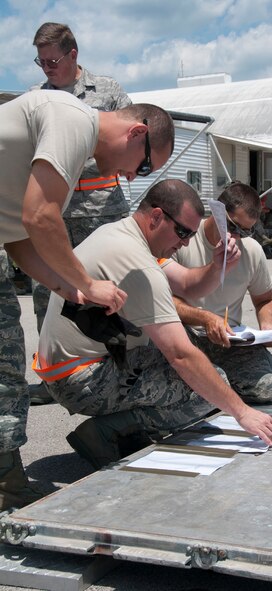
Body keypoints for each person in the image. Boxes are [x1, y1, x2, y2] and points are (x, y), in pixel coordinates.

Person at [0, 88, 174, 509]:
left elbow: (20, 239)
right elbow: (40, 216)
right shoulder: (71, 118)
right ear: (135, 133)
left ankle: (6, 482)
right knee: (5, 367)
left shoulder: (69, 146)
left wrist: (70, 289)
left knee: (5, 362)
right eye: (145, 164)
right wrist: (90, 283)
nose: (135, 177)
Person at [35, 179, 272, 470]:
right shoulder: (138, 263)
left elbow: (189, 285)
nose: (186, 242)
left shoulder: (123, 233)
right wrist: (243, 413)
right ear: (155, 216)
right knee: (204, 389)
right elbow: (180, 355)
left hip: (80, 362)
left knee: (203, 371)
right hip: (82, 378)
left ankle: (127, 425)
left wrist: (218, 267)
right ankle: (110, 432)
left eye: (190, 234)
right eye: (182, 232)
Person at [30, 22, 133, 405]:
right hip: (54, 212)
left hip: (102, 210)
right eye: (40, 62)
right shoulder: (37, 98)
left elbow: (127, 139)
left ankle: (114, 362)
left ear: (73, 54)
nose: (46, 69)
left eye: (52, 60)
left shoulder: (107, 91)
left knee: (111, 288)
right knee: (49, 293)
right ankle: (50, 378)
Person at [167, 181, 272, 404]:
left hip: (230, 342)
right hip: (187, 339)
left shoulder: (251, 250)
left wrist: (268, 328)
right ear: (217, 213)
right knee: (211, 389)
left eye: (246, 231)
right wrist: (204, 318)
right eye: (233, 227)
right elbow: (164, 301)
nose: (236, 237)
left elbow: (265, 300)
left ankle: (218, 386)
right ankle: (215, 388)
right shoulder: (184, 239)